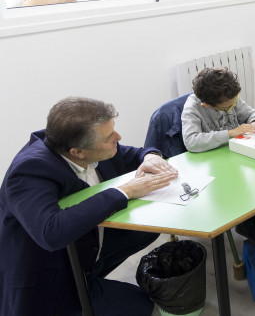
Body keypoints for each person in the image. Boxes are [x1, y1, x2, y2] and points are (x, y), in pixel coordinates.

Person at [0, 97, 179, 316]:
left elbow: (130, 153)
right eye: (110, 137)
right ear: (77, 152)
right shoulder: (29, 171)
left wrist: (150, 155)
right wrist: (126, 190)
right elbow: (50, 232)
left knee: (145, 230)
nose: (118, 138)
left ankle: (93, 276)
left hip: (84, 249)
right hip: (48, 279)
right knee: (141, 306)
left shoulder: (86, 145)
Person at [181, 67, 255, 254]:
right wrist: (231, 133)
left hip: (239, 157)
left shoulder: (229, 95)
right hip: (213, 169)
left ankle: (250, 224)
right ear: (208, 105)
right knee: (245, 193)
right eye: (227, 107)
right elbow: (191, 141)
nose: (233, 106)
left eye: (234, 102)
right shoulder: (193, 108)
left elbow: (250, 113)